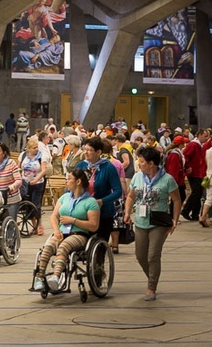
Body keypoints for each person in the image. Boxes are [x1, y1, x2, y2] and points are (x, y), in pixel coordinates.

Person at [124, 146, 181, 301]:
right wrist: (127, 212)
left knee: (153, 256)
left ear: (151, 163)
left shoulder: (167, 179)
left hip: (159, 222)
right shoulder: (137, 177)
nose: (138, 163)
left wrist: (175, 219)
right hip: (141, 221)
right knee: (141, 256)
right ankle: (152, 276)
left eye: (141, 161)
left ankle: (151, 287)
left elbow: (176, 200)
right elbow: (130, 196)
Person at [33, 168, 100, 291]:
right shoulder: (64, 198)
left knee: (64, 246)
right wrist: (56, 230)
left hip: (79, 234)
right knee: (47, 247)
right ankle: (39, 277)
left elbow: (93, 225)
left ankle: (55, 277)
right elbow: (54, 216)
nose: (66, 181)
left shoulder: (90, 202)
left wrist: (73, 221)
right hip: (61, 232)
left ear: (78, 181)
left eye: (69, 179)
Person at [76, 136, 123, 242]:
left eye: (89, 150)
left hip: (103, 212)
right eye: (85, 149)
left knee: (99, 243)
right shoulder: (81, 166)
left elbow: (117, 191)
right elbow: (71, 185)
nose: (86, 152)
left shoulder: (108, 167)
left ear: (98, 152)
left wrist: (102, 201)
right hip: (82, 212)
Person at [19, 138, 50, 235]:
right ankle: (34, 225)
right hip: (25, 183)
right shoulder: (23, 155)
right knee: (28, 204)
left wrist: (36, 180)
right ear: (28, 149)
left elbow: (44, 170)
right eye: (34, 148)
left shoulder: (42, 156)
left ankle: (40, 225)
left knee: (36, 204)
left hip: (38, 183)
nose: (36, 149)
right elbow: (19, 167)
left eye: (37, 147)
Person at [0, 142, 22, 220]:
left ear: (4, 153)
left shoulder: (11, 163)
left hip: (11, 197)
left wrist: (12, 187)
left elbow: (18, 180)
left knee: (11, 220)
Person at [181, 128, 210, 222]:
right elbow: (185, 155)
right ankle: (186, 211)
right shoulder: (193, 144)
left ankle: (195, 214)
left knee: (199, 193)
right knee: (196, 192)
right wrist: (188, 166)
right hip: (193, 173)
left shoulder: (200, 145)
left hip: (199, 172)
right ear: (199, 135)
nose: (207, 138)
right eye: (205, 136)